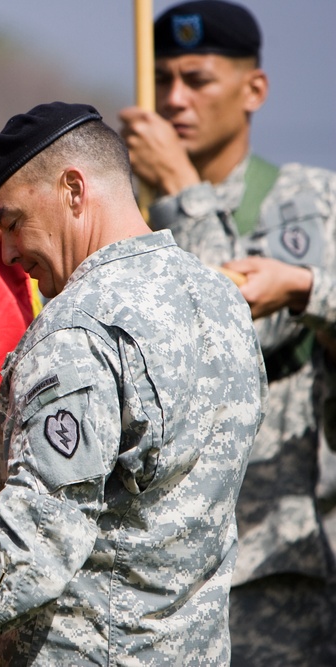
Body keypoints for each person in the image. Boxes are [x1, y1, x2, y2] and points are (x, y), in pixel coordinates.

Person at [0, 101, 266, 666]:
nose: (8, 250)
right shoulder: (221, 299)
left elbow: (34, 537)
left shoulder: (78, 328)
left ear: (74, 189)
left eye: (13, 220)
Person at [118, 2, 336, 662]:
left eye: (197, 79)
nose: (174, 99)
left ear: (254, 89)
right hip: (158, 571)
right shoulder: (123, 213)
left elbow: (230, 332)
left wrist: (183, 194)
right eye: (162, 80)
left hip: (275, 558)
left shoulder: (303, 197)